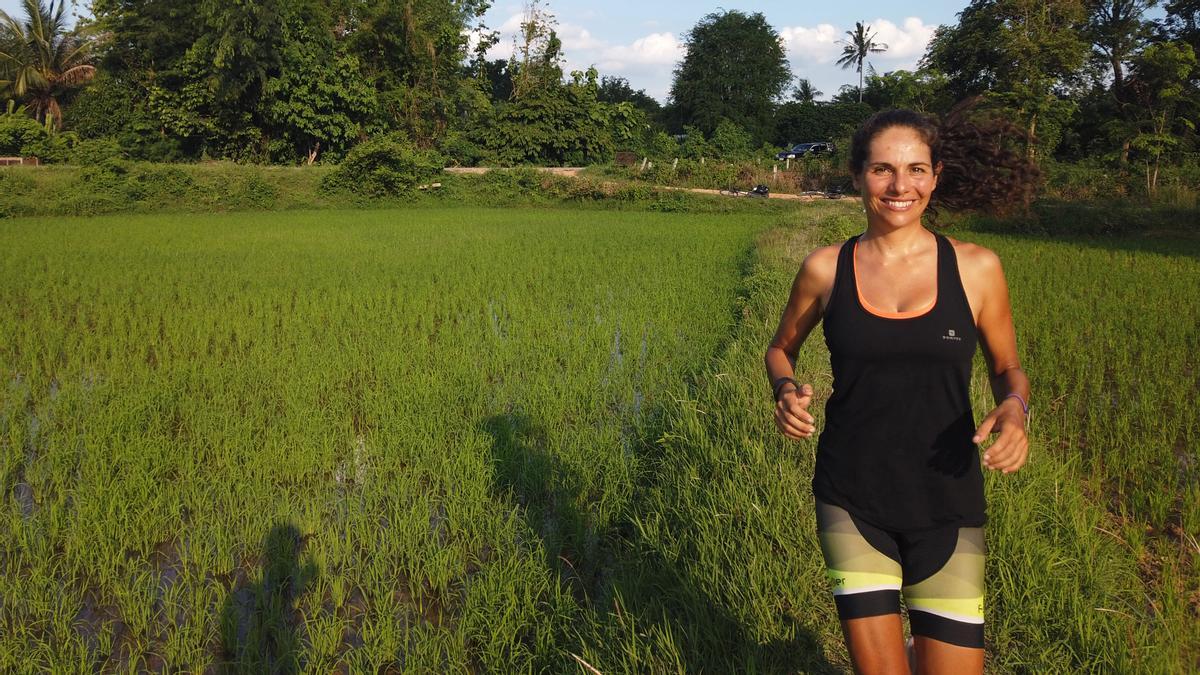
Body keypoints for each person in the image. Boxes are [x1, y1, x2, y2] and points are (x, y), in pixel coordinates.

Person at [764, 108, 1034, 675]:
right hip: (852, 495)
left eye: (915, 170)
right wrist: (784, 389)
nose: (900, 186)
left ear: (935, 176)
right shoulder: (825, 268)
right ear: (858, 176)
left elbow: (1007, 367)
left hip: (948, 501)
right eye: (882, 169)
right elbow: (780, 348)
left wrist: (1015, 409)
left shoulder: (977, 268)